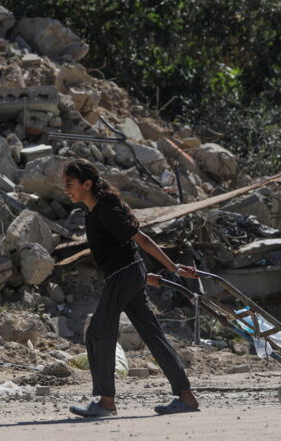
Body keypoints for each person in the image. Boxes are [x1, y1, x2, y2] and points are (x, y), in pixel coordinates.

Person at [64, 159, 200, 417]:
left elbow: (141, 239)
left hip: (123, 276)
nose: (66, 190)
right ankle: (186, 396)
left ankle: (106, 402)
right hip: (127, 274)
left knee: (98, 332)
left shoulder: (105, 209)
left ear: (87, 184)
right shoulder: (94, 213)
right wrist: (143, 276)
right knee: (152, 335)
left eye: (70, 184)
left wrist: (172, 267)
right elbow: (123, 251)